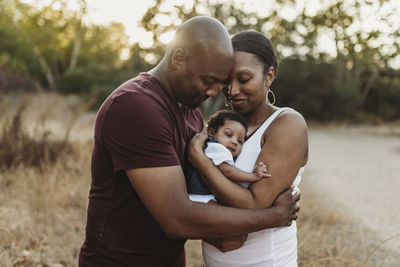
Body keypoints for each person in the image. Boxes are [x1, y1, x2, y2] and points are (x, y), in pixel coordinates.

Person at [78, 17, 300, 267]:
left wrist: (213, 232)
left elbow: (196, 193)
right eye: (208, 81)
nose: (215, 92)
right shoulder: (136, 106)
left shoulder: (191, 111)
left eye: (219, 82)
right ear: (179, 59)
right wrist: (273, 217)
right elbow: (177, 218)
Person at [189, 30, 309, 266]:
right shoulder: (224, 126)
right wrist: (211, 234)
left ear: (269, 76)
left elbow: (254, 206)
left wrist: (199, 159)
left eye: (243, 79)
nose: (232, 91)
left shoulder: (287, 124)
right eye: (226, 80)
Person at [186, 110, 270, 203]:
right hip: (200, 196)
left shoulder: (221, 149)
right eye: (228, 135)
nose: (234, 142)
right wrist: (253, 176)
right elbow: (228, 171)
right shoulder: (216, 148)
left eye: (240, 141)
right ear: (211, 132)